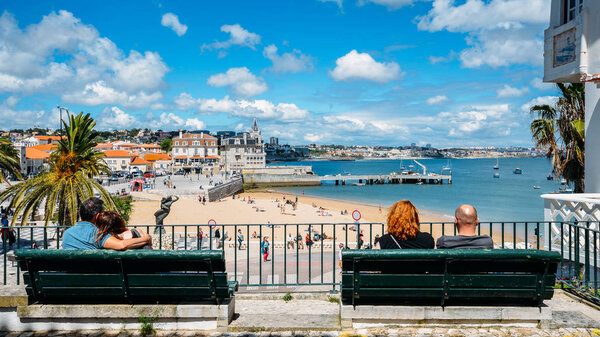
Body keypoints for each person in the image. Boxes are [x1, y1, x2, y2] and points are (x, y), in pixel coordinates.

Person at [62, 197, 151, 250]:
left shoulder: (67, 234)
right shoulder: (96, 234)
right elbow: (121, 245)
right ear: (97, 216)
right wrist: (146, 238)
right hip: (95, 280)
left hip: (72, 279)